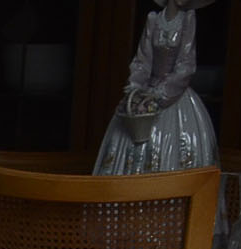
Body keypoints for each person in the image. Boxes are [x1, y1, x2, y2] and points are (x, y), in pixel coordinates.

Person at [93, 0, 220, 175]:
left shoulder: (187, 20)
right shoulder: (153, 20)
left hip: (174, 96)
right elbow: (143, 60)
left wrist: (161, 94)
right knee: (132, 134)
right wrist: (136, 88)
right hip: (148, 90)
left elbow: (186, 64)